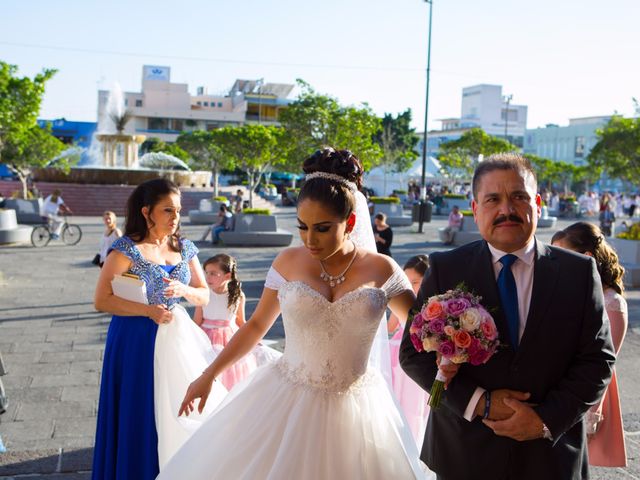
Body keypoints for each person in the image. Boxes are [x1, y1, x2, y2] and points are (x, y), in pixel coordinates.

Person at [158, 148, 430, 479]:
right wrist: (208, 375)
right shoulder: (288, 262)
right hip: (287, 399)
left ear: (352, 222)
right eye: (303, 226)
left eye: (323, 228)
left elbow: (423, 331)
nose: (310, 239)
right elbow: (257, 324)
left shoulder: (381, 268)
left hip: (360, 410)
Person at [400, 153, 615, 480]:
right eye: (493, 199)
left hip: (550, 457)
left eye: (518, 197)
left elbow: (597, 359)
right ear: (475, 210)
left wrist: (544, 421)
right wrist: (479, 403)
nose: (506, 210)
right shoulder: (446, 268)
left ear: (538, 204)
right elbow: (414, 354)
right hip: (464, 452)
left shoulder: (579, 273)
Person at [92, 178, 227, 479]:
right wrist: (147, 311)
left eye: (178, 210)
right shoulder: (124, 250)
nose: (175, 217)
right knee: (138, 409)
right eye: (168, 210)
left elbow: (204, 294)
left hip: (175, 337)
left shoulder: (185, 248)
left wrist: (185, 290)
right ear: (147, 212)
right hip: (133, 339)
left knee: (178, 409)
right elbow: (101, 299)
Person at [551, 222, 628, 468]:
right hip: (560, 392)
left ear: (586, 258)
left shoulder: (612, 302)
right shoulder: (571, 290)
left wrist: (593, 411)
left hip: (585, 395)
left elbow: (606, 363)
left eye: (561, 255)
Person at [193, 254, 258, 389]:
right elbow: (197, 322)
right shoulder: (204, 294)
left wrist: (253, 338)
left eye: (213, 273)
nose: (207, 277)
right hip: (206, 338)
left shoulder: (238, 295)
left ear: (227, 276)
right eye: (206, 273)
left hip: (230, 338)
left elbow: (241, 321)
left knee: (230, 372)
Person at [387, 254, 430, 446]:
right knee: (397, 402)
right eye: (407, 282)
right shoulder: (402, 300)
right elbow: (390, 327)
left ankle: (414, 443)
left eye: (416, 282)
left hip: (420, 359)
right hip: (398, 355)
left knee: (415, 406)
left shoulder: (432, 304)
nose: (411, 287)